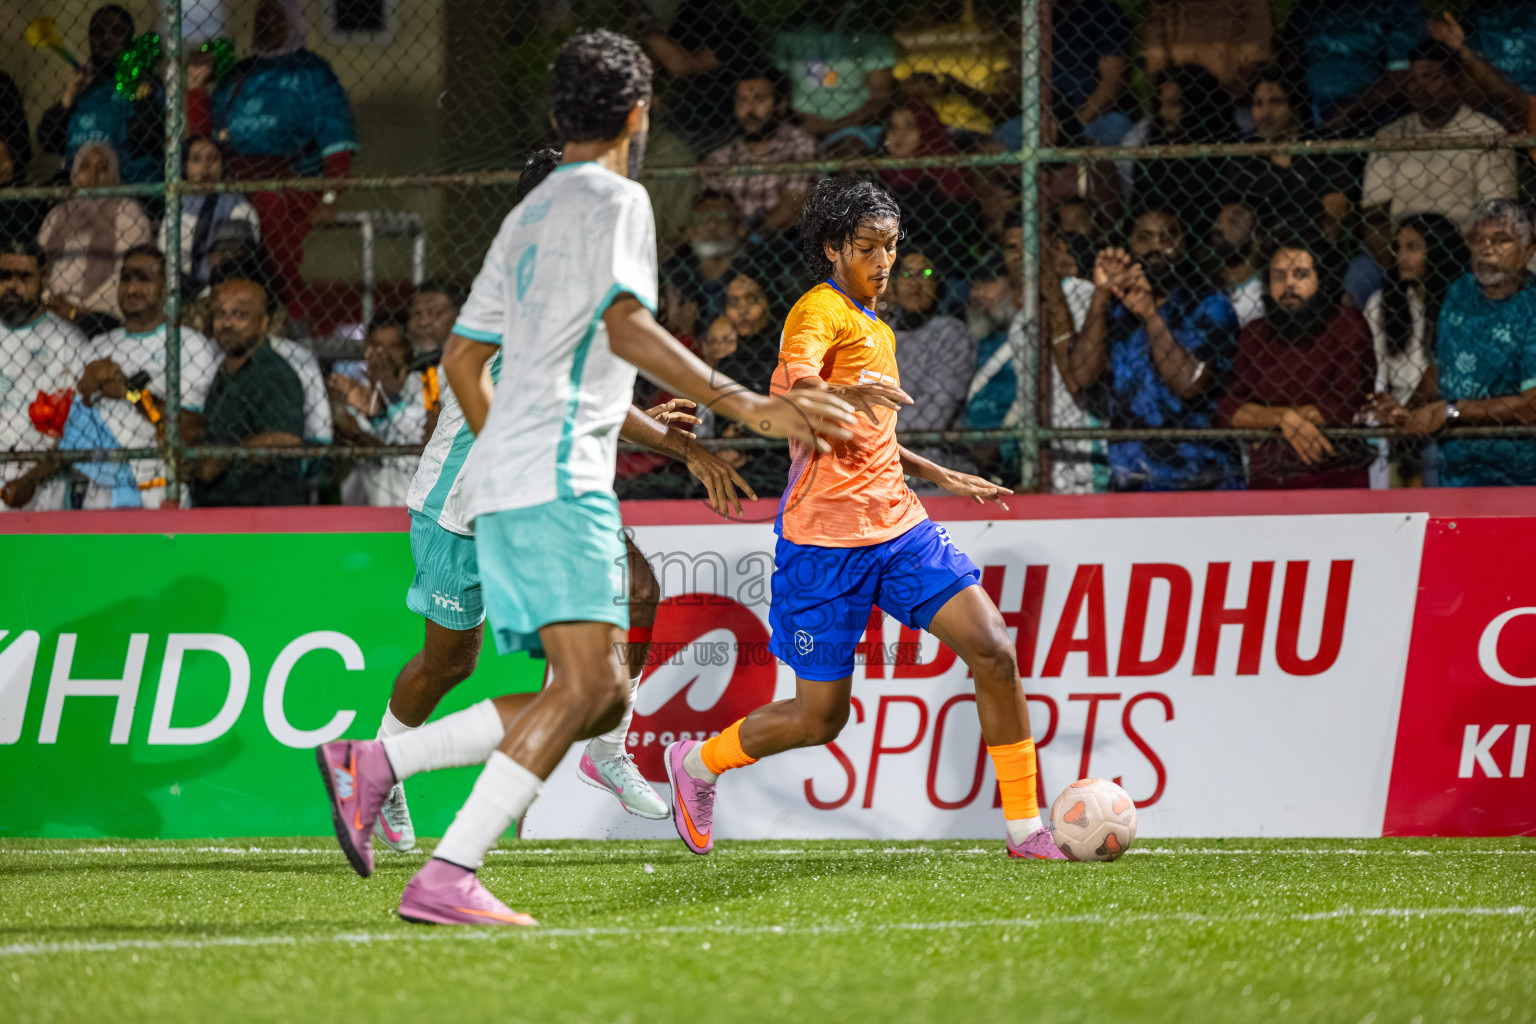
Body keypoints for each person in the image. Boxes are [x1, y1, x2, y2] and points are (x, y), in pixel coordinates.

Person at [311, 31, 854, 925]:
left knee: (594, 688)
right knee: (589, 688)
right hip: (549, 483)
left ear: (560, 114)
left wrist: (522, 445)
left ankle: (394, 790)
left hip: (529, 476)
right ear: (638, 115)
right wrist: (746, 405)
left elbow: (463, 356)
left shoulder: (526, 218)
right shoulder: (617, 198)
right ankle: (411, 817)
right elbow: (630, 327)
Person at [662, 173, 1064, 863]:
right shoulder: (818, 311)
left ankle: (1026, 830)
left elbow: (869, 429)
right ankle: (698, 765)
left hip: (900, 528)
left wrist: (936, 472)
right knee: (820, 718)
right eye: (870, 247)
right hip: (822, 543)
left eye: (892, 246)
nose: (884, 261)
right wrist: (844, 389)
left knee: (993, 648)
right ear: (832, 248)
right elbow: (800, 390)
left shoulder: (878, 323)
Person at [187, 0, 357, 316]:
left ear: (294, 21)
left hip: (291, 183)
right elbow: (204, 138)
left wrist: (331, 197)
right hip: (234, 183)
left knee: (269, 204)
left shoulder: (312, 72)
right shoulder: (238, 75)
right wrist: (196, 89)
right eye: (261, 19)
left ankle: (282, 306)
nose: (266, 26)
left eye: (276, 19)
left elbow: (337, 140)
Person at [1062, 207, 1243, 491]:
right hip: (1130, 479)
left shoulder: (1209, 305)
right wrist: (1100, 295)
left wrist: (1150, 314)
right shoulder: (1116, 310)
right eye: (1144, 237)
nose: (1157, 246)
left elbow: (1189, 383)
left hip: (1201, 480)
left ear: (1186, 243)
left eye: (1168, 236)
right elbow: (1082, 375)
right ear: (1129, 246)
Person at [1375, 200, 1536, 487]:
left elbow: (1531, 406)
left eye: (1501, 241)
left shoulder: (1531, 307)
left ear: (1528, 250)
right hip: (1455, 474)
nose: (1486, 249)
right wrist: (1407, 412)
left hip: (1520, 477)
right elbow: (1440, 371)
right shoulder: (1460, 292)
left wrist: (1452, 410)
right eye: (1478, 239)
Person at [70, 246, 221, 509]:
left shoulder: (190, 345)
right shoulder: (96, 346)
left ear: (166, 288)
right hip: (99, 490)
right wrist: (85, 391)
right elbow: (69, 426)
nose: (131, 288)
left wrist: (130, 393)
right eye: (126, 278)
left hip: (159, 488)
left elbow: (190, 428)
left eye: (144, 279)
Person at [1221, 233, 1376, 488]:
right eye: (1279, 277)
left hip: (1336, 479)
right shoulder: (1254, 335)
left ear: (1322, 280)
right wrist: (1283, 419)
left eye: (1300, 274)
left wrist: (1265, 418)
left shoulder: (1347, 325)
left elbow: (1345, 405)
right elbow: (1229, 408)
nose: (1289, 285)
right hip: (1269, 481)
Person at [1361, 41, 1517, 235]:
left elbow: (1497, 208)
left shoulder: (1487, 133)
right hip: (1402, 246)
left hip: (1463, 245)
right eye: (1412, 79)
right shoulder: (1390, 135)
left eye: (1430, 77)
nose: (1418, 87)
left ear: (1456, 80)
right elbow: (1375, 210)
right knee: (1362, 266)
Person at [1363, 213, 1465, 487]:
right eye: (1398, 247)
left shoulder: (1460, 303)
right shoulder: (1381, 304)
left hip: (1444, 414)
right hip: (1393, 412)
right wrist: (1390, 412)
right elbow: (1375, 373)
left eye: (1413, 247)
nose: (1401, 257)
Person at [190, 278, 306, 506]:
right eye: (220, 315)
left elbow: (286, 438)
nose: (227, 324)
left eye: (240, 315)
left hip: (261, 513)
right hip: (221, 510)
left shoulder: (272, 372)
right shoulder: (225, 370)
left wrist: (224, 458)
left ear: (264, 323)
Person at [0, 240, 87, 512]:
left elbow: (71, 430)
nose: (13, 285)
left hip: (42, 489)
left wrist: (30, 479)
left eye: (24, 276)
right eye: (4, 276)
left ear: (43, 277)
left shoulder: (67, 342)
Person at [36, 5, 164, 185]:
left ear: (130, 38)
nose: (105, 38)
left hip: (133, 194)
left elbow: (148, 137)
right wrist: (68, 96)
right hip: (80, 191)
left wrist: (140, 92)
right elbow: (48, 141)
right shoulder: (84, 88)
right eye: (98, 31)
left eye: (116, 31)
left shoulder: (147, 84)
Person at [1229, 64, 1355, 245]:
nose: (1265, 112)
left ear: (1296, 107)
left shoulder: (1324, 148)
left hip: (1314, 246)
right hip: (1260, 248)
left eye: (1276, 102)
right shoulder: (1246, 153)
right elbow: (1231, 213)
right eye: (1258, 103)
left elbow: (1335, 219)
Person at [37, 142, 153, 327]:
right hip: (53, 312)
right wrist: (50, 302)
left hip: (103, 317)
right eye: (84, 167)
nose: (92, 176)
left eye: (103, 169)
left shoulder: (128, 213)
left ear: (115, 175)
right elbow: (40, 269)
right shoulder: (57, 215)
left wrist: (76, 311)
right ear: (73, 172)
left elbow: (126, 276)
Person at [882, 250, 974, 480]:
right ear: (892, 285)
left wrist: (874, 434)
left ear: (937, 284)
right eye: (906, 274)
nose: (915, 282)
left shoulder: (951, 332)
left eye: (926, 273)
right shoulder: (880, 333)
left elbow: (936, 410)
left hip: (932, 461)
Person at [638, 0, 765, 151]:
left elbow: (685, 65)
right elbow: (665, 56)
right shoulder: (691, 12)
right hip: (676, 114)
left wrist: (648, 30)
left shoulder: (742, 29)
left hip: (717, 123)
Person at [1123, 65, 1236, 233]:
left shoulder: (1222, 150)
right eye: (1161, 104)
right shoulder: (1152, 152)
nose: (1164, 112)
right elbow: (1139, 209)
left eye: (1174, 104)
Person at [332, 314, 429, 507]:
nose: (382, 355)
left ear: (407, 348)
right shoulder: (356, 391)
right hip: (369, 501)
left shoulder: (428, 382)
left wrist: (387, 401)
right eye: (375, 347)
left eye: (391, 347)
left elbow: (424, 434)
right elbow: (357, 440)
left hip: (419, 500)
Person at [704, 71, 817, 235]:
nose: (749, 108)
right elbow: (710, 203)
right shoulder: (723, 155)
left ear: (780, 105)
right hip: (735, 240)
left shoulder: (801, 144)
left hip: (787, 240)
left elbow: (794, 204)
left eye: (759, 99)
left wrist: (752, 237)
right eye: (742, 100)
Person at [1280, 0, 1421, 130]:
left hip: (1375, 112)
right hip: (1313, 112)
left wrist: (1352, 110)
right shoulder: (1307, 10)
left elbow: (1403, 79)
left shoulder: (1395, 7)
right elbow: (1288, 63)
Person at [879, 100, 980, 269]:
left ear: (927, 130)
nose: (899, 135)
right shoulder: (875, 175)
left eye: (910, 127)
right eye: (893, 127)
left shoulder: (946, 177)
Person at [162, 136, 261, 299]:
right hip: (180, 291)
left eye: (213, 159)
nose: (206, 166)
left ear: (222, 166)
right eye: (196, 160)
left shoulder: (236, 205)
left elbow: (233, 261)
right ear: (185, 167)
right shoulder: (177, 206)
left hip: (222, 291)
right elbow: (165, 254)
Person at [660, 191, 752, 341]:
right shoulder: (671, 272)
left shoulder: (756, 271)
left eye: (722, 216)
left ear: (739, 228)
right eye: (702, 217)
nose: (712, 224)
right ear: (689, 230)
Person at [1141, 0, 1274, 96]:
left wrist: (1239, 82)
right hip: (1179, 85)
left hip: (1232, 87)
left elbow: (1257, 43)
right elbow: (1156, 34)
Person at [1048, 0, 1133, 146]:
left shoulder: (1103, 13)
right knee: (1001, 143)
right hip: (1048, 118)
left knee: (1113, 133)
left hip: (1097, 117)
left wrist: (1073, 126)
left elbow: (1113, 81)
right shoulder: (1046, 17)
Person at [1211, 200, 1265, 327]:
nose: (1221, 227)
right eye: (1219, 220)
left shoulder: (1262, 294)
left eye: (1233, 221)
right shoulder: (1212, 289)